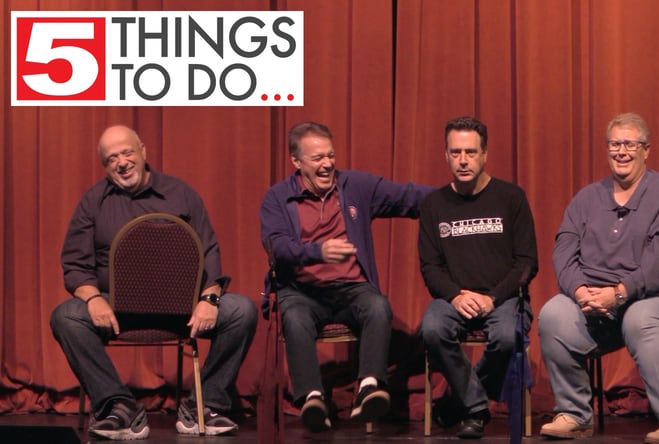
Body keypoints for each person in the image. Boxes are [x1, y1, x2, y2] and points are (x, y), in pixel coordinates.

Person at [50, 125, 259, 441]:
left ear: (143, 151)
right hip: (118, 308)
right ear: (105, 166)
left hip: (181, 307)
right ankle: (117, 406)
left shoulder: (181, 193)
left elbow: (209, 251)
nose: (121, 162)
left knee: (242, 310)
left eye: (127, 152)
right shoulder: (93, 201)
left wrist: (210, 298)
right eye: (111, 159)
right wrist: (93, 299)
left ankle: (205, 405)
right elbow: (75, 266)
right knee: (65, 317)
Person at [537, 112, 659, 444]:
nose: (622, 151)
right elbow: (563, 249)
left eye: (630, 144)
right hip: (603, 302)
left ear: (646, 150)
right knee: (553, 314)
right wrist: (579, 291)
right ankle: (574, 413)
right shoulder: (587, 198)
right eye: (615, 144)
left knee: (640, 316)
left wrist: (619, 292)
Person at [259, 121, 432, 433]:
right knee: (294, 316)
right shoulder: (277, 198)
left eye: (330, 156)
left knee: (378, 306)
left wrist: (457, 197)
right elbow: (277, 246)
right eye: (317, 158)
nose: (327, 164)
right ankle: (312, 398)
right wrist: (317, 251)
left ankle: (368, 387)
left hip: (352, 287)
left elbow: (407, 197)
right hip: (302, 290)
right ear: (296, 162)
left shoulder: (355, 186)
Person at [418, 116, 539, 439]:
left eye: (470, 152)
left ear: (484, 154)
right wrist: (456, 295)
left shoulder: (511, 198)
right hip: (453, 298)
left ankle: (459, 404)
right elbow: (430, 267)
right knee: (431, 328)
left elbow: (527, 262)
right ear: (445, 155)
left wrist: (493, 297)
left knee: (507, 337)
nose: (463, 160)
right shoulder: (433, 204)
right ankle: (475, 407)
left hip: (503, 298)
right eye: (455, 152)